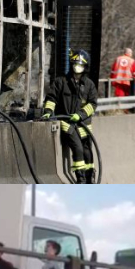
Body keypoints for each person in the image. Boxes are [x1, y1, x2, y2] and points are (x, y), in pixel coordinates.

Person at [42, 49, 98, 184]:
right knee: (78, 148)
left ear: (85, 67)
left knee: (87, 151)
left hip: (83, 124)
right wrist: (48, 111)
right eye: (74, 64)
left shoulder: (89, 85)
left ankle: (90, 177)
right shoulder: (61, 82)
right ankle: (80, 179)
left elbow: (92, 104)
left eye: (80, 65)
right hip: (67, 123)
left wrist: (80, 115)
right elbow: (51, 99)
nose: (76, 67)